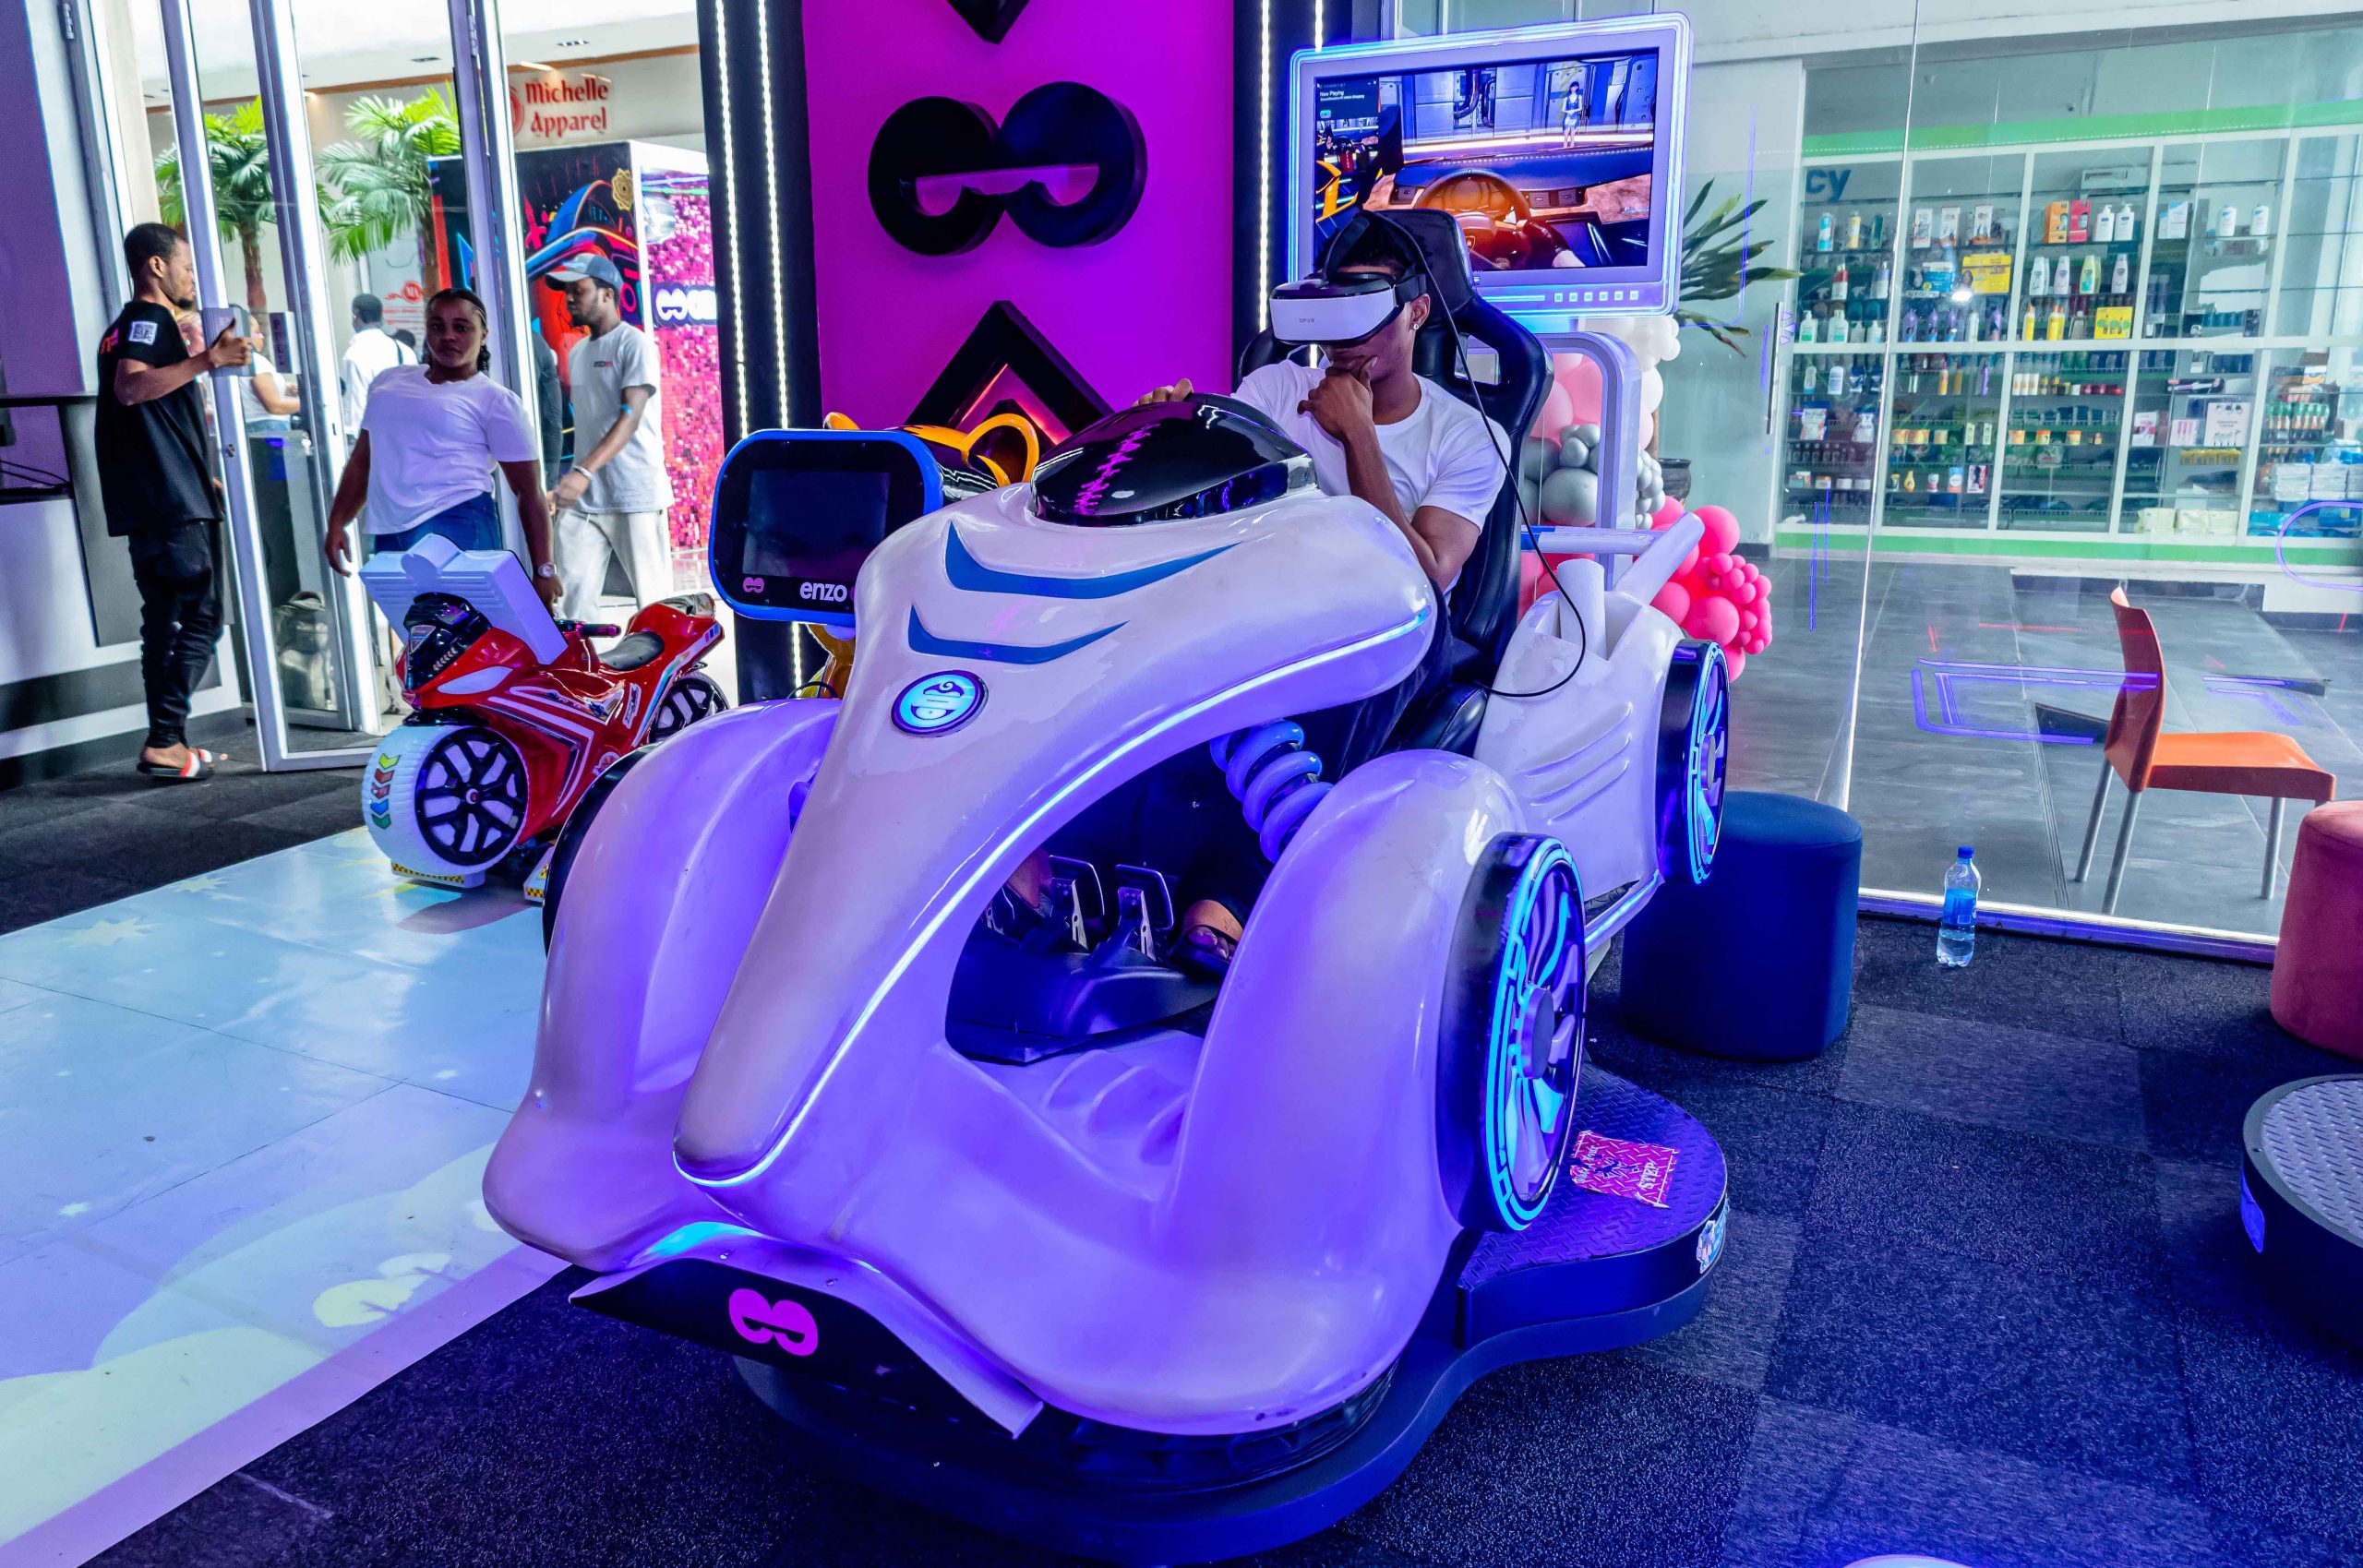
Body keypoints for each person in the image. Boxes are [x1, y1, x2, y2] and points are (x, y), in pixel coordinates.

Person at [1040, 217, 1509, 971]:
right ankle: (1069, 863)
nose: (1342, 338)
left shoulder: (1465, 434)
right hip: (1255, 604)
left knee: (1342, 667)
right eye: (1333, 307)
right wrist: (1169, 432)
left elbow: (1428, 574)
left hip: (1388, 623)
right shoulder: (1274, 386)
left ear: (1417, 311)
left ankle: (1225, 901)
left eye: (1366, 310)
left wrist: (1357, 435)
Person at [94, 221, 252, 782]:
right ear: (156, 266)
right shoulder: (146, 317)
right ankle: (164, 740)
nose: (191, 277)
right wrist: (211, 360)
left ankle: (170, 740)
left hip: (157, 494)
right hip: (169, 498)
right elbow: (132, 388)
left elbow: (150, 406)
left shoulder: (122, 327)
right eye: (186, 266)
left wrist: (201, 470)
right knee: (203, 617)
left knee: (161, 621)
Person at [323, 287, 560, 608]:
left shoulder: (496, 401)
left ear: (483, 334)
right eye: (437, 325)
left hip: (457, 521)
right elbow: (364, 461)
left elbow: (529, 491)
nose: (448, 336)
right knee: (419, 640)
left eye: (461, 327)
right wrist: (338, 520)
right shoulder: (388, 382)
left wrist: (544, 570)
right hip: (389, 530)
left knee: (464, 645)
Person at [544, 253, 675, 622]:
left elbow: (629, 417)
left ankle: (672, 679)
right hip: (586, 499)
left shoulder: (634, 344)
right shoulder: (580, 351)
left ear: (606, 293)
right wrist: (580, 478)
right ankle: (581, 676)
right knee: (569, 605)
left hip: (635, 493)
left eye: (578, 290)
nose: (569, 299)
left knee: (654, 608)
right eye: (566, 292)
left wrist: (580, 472)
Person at [339, 293, 414, 435]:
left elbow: (358, 407)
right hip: (409, 433)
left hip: (379, 437)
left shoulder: (355, 355)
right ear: (381, 318)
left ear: (356, 316)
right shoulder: (404, 350)